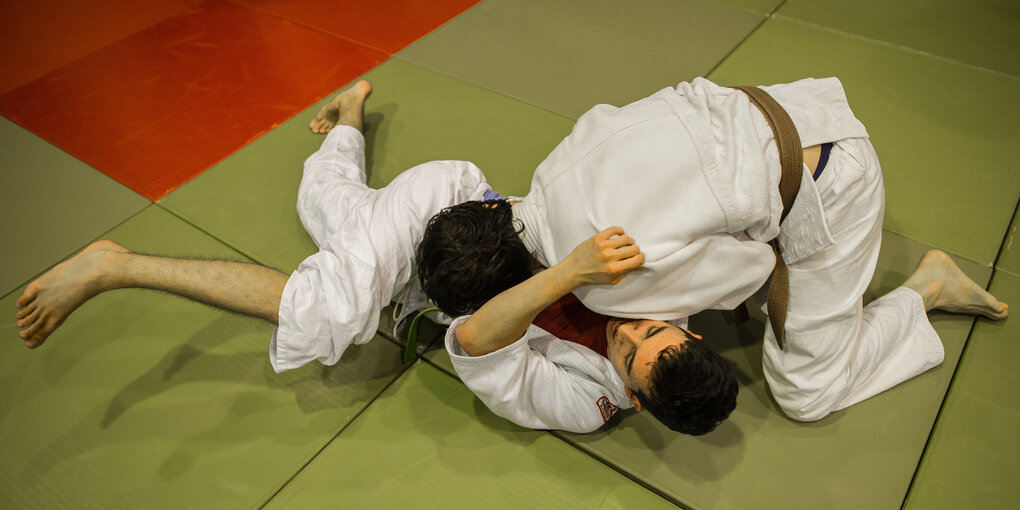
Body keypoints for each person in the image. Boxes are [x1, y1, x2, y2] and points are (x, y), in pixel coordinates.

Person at [419, 77, 1009, 433]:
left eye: (633, 343)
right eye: (648, 337)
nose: (625, 332)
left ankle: (926, 288)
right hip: (788, 106)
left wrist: (582, 273)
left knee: (807, 394)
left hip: (829, 184)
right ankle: (916, 288)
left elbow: (761, 264)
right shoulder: (554, 174)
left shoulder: (603, 280)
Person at [13, 80, 492, 373]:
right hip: (457, 216)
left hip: (449, 258)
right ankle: (115, 266)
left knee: (321, 195)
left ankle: (350, 105)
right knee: (322, 312)